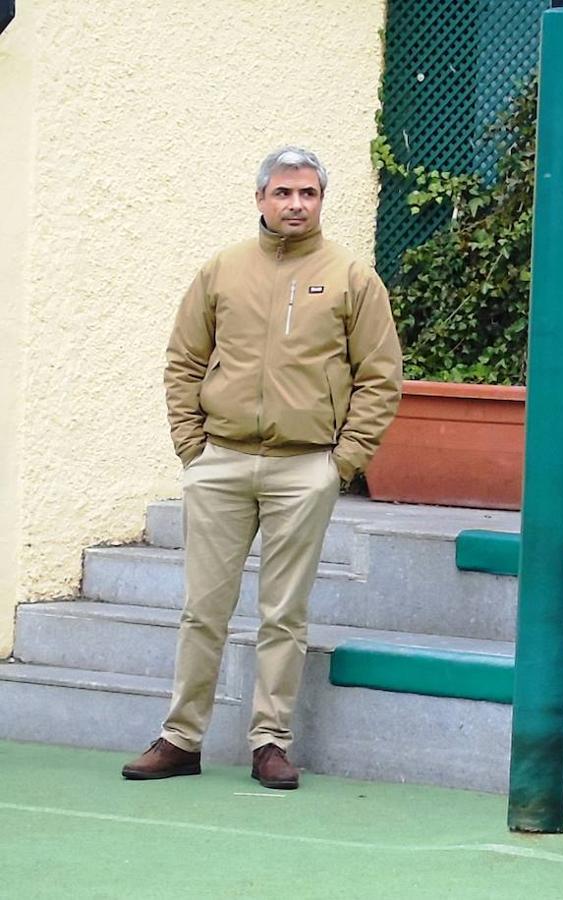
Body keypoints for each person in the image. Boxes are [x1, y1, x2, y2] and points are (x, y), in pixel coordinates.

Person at [122, 146, 403, 789]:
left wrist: (344, 461)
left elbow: (380, 378)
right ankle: (181, 738)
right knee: (203, 608)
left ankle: (269, 742)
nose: (295, 205)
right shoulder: (221, 271)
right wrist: (192, 447)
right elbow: (184, 361)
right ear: (260, 199)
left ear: (321, 201)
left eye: (307, 193)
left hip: (305, 468)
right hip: (219, 462)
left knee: (283, 613)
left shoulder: (352, 278)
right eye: (283, 193)